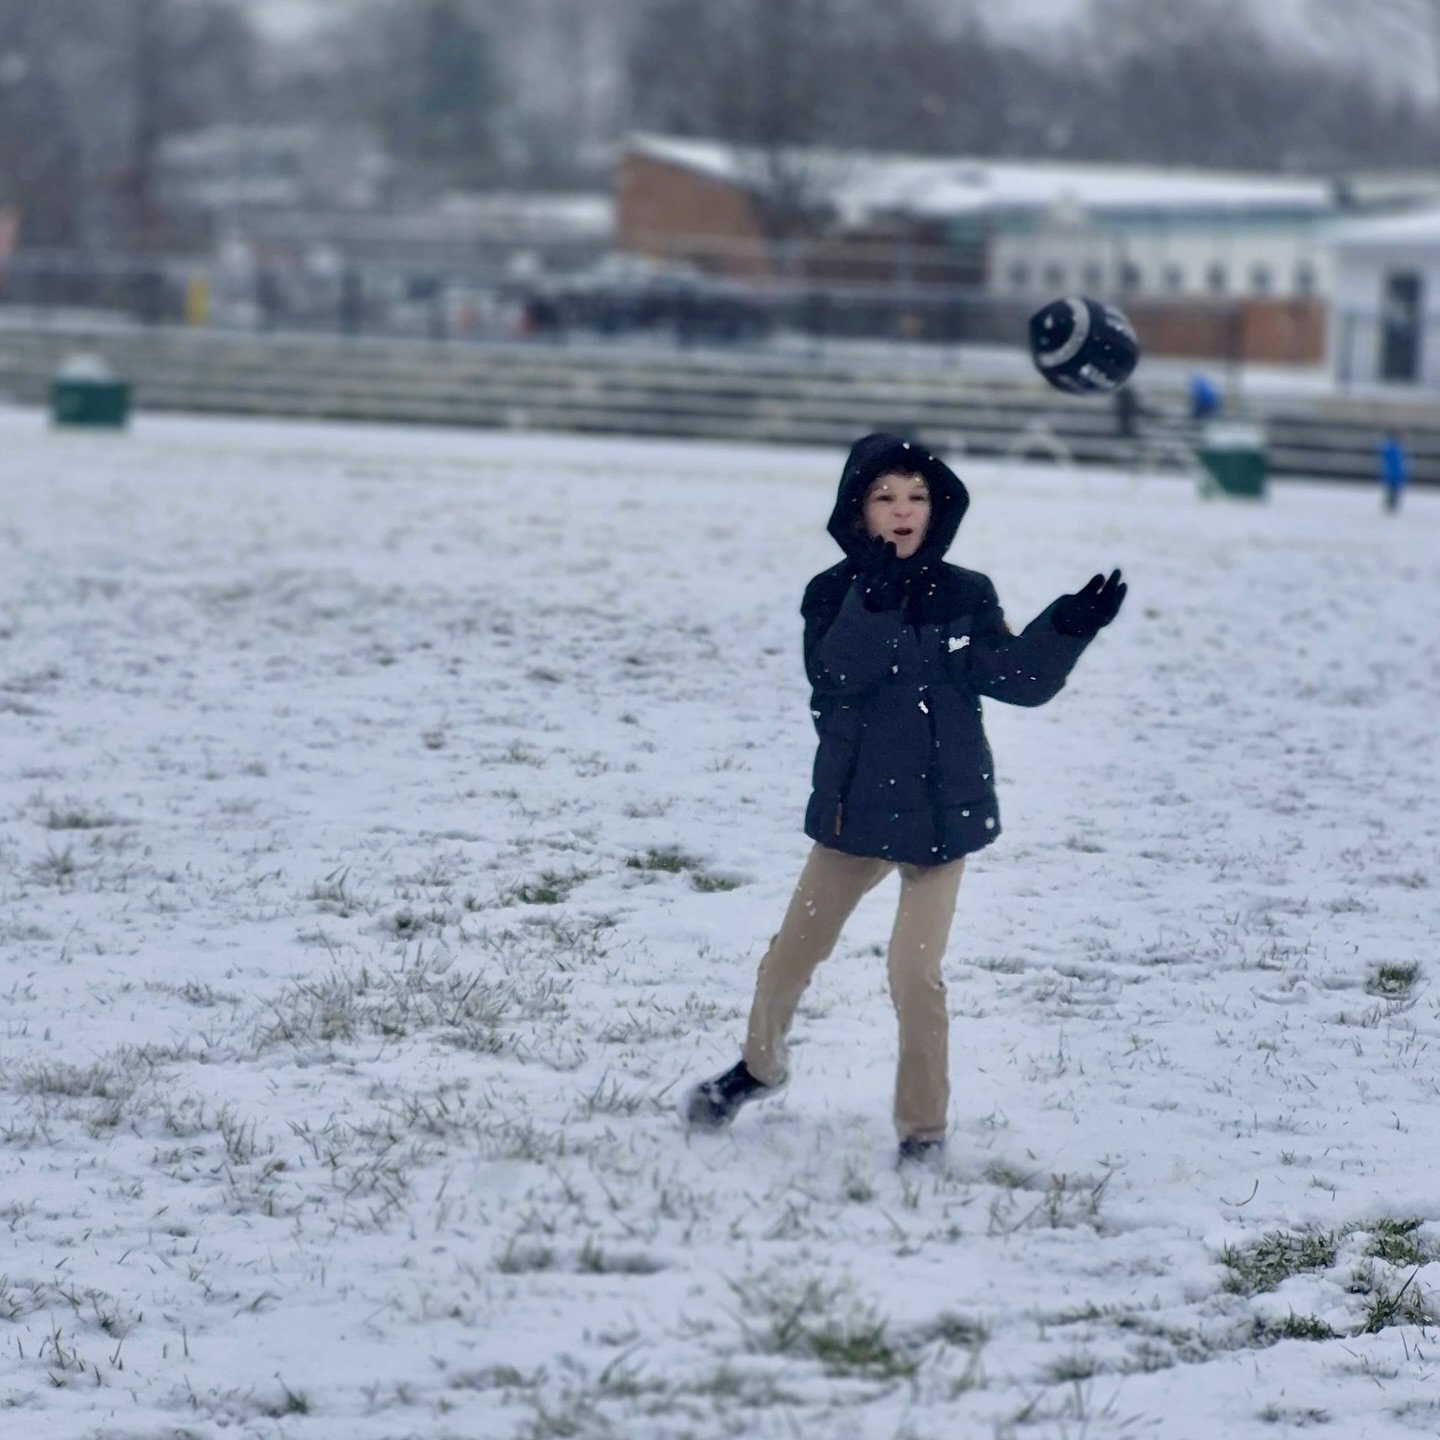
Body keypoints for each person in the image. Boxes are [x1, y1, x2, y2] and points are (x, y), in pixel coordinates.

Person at [684, 433, 1127, 1166]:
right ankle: (758, 1070)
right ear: (857, 510)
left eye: (917, 497)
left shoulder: (965, 593)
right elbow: (835, 678)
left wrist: (1066, 630)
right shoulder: (830, 593)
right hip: (851, 818)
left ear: (936, 509)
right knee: (787, 962)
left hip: (939, 825)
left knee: (915, 979)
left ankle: (923, 1133)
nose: (902, 510)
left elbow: (1015, 681)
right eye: (885, 496)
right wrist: (874, 603)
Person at [1379, 429, 1409, 513]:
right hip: (1392, 473)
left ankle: (1391, 505)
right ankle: (1390, 505)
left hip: (1395, 473)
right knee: (1391, 490)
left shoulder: (1396, 447)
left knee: (1394, 490)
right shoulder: (1391, 447)